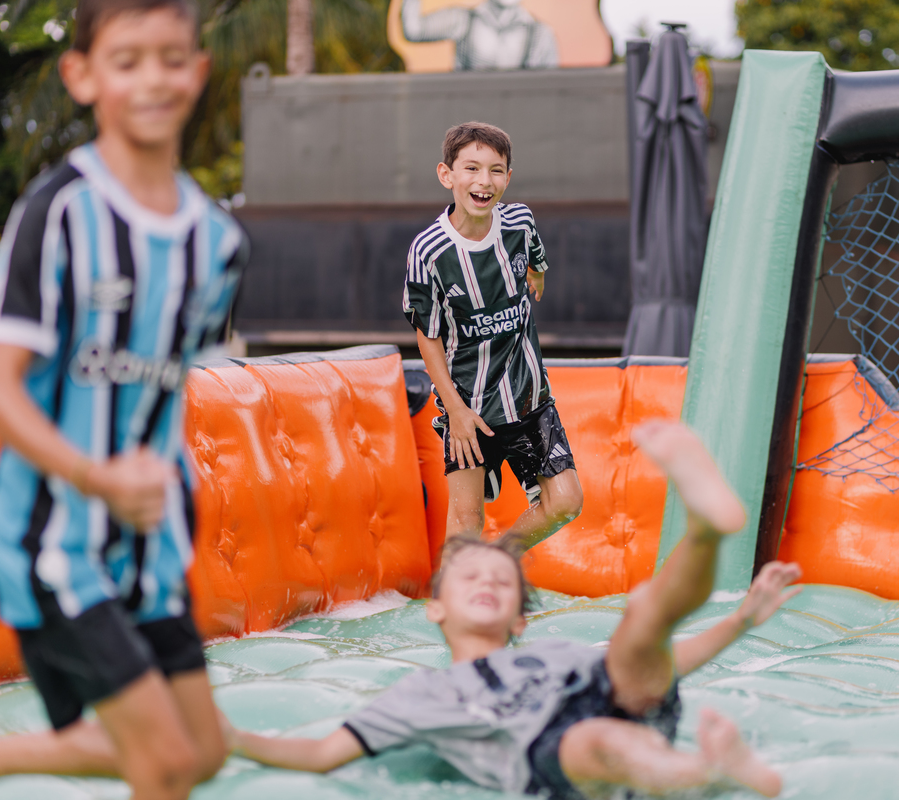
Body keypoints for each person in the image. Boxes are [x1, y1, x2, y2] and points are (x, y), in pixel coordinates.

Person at [0, 0, 245, 797]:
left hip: (152, 552)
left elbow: (169, 395)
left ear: (199, 72)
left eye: (171, 57)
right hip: (54, 545)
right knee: (166, 767)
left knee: (200, 754)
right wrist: (99, 478)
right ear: (81, 76)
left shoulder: (218, 242)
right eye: (127, 59)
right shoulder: (59, 213)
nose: (153, 79)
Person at [224, 420, 801, 799]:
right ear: (435, 610)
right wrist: (233, 738)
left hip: (613, 694)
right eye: (469, 576)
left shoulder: (553, 653)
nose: (487, 581)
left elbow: (662, 661)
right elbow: (323, 753)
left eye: (502, 579)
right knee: (599, 738)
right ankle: (709, 773)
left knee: (643, 620)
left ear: (521, 621)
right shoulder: (422, 698)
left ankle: (705, 530)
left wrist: (740, 621)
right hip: (550, 747)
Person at [405, 122, 583, 548]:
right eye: (472, 168)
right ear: (447, 175)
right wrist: (456, 412)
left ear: (507, 177)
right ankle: (451, 609)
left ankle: (497, 562)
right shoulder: (428, 252)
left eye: (496, 170)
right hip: (470, 410)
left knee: (566, 502)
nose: (484, 181)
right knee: (466, 524)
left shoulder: (519, 222)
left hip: (530, 400)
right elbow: (427, 336)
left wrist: (536, 275)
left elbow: (537, 256)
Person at [401, 0, 558, 71]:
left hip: (521, 126)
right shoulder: (462, 20)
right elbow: (414, 30)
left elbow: (552, 94)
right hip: (470, 125)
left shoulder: (541, 34)